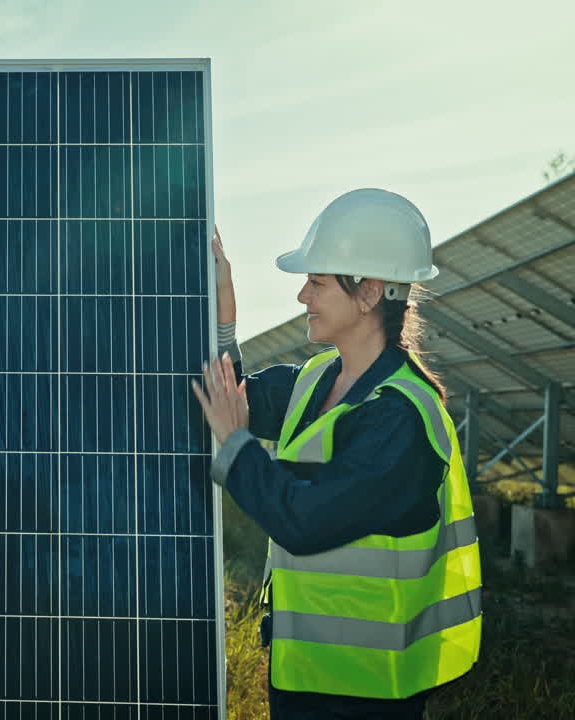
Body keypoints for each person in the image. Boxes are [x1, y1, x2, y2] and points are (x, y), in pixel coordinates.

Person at [192, 189, 481, 718]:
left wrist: (236, 445)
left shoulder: (400, 418)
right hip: (306, 674)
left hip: (368, 690)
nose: (303, 296)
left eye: (317, 282)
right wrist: (224, 315)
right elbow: (225, 399)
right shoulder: (317, 378)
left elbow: (304, 521)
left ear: (369, 292)